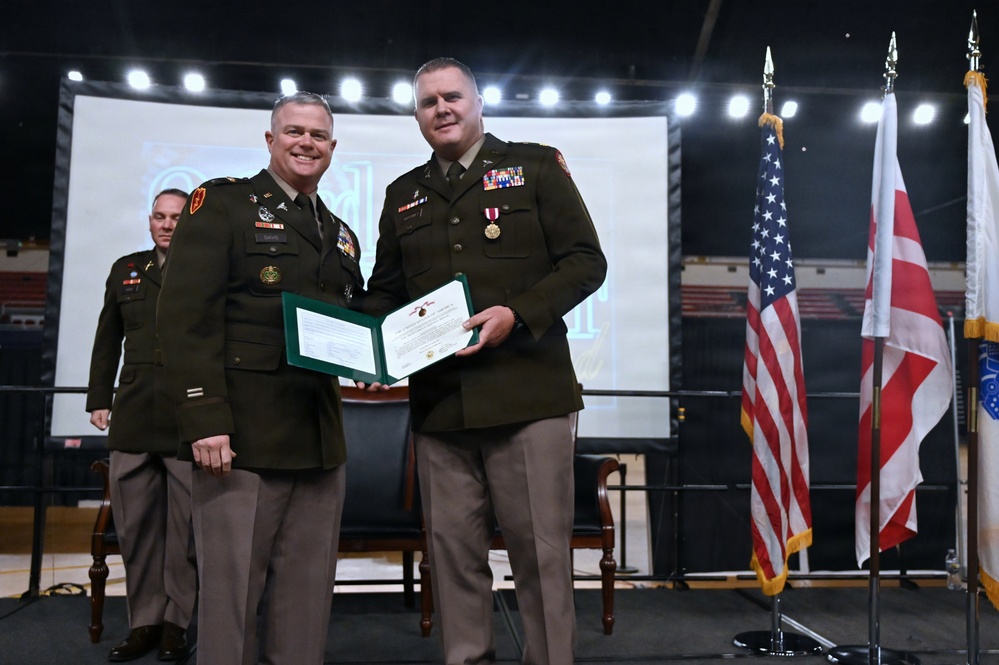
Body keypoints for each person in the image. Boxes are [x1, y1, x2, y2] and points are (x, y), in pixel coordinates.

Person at [362, 57, 607, 665]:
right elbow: (385, 293)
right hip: (441, 406)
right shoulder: (403, 195)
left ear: (478, 102)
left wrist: (517, 314)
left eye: (453, 97)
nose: (441, 109)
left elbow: (585, 261)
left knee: (541, 555)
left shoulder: (534, 166)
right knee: (452, 558)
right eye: (428, 102)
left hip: (528, 396)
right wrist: (355, 335)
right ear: (416, 115)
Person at [156, 91, 364, 665]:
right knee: (230, 606)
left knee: (305, 606)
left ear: (332, 148)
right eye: (294, 132)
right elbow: (184, 318)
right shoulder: (220, 204)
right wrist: (204, 419)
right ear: (270, 140)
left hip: (319, 442)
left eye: (318, 136)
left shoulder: (341, 232)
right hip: (238, 442)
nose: (306, 143)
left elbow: (353, 324)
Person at [85, 188, 197, 662]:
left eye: (175, 217)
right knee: (136, 530)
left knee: (186, 531)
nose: (167, 224)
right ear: (149, 221)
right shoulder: (126, 269)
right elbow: (107, 336)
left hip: (186, 416)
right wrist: (98, 397)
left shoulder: (206, 268)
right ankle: (145, 622)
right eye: (159, 216)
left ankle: (178, 622)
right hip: (133, 412)